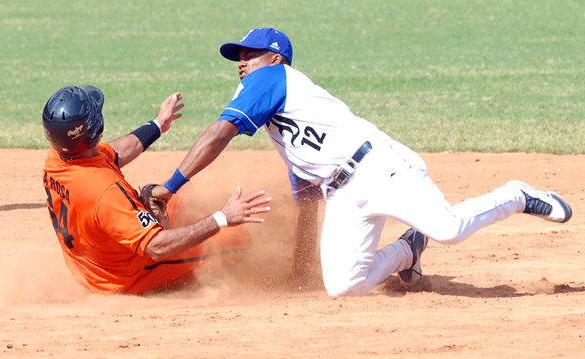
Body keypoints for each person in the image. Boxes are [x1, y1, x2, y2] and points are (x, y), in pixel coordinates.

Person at [152, 28, 573, 297]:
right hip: (344, 193)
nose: (242, 62)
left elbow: (219, 133)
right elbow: (307, 195)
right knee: (343, 287)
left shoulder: (272, 79)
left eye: (251, 53)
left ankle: (516, 195)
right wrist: (302, 269)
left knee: (449, 229)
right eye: (238, 55)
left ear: (275, 59)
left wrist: (170, 186)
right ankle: (407, 251)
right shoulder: (281, 123)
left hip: (378, 168)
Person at [42, 85, 270, 295]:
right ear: (96, 128)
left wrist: (158, 124)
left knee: (180, 197)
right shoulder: (106, 194)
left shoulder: (60, 158)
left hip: (91, 262)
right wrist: (222, 218)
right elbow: (157, 246)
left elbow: (114, 152)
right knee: (235, 238)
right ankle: (192, 285)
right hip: (125, 277)